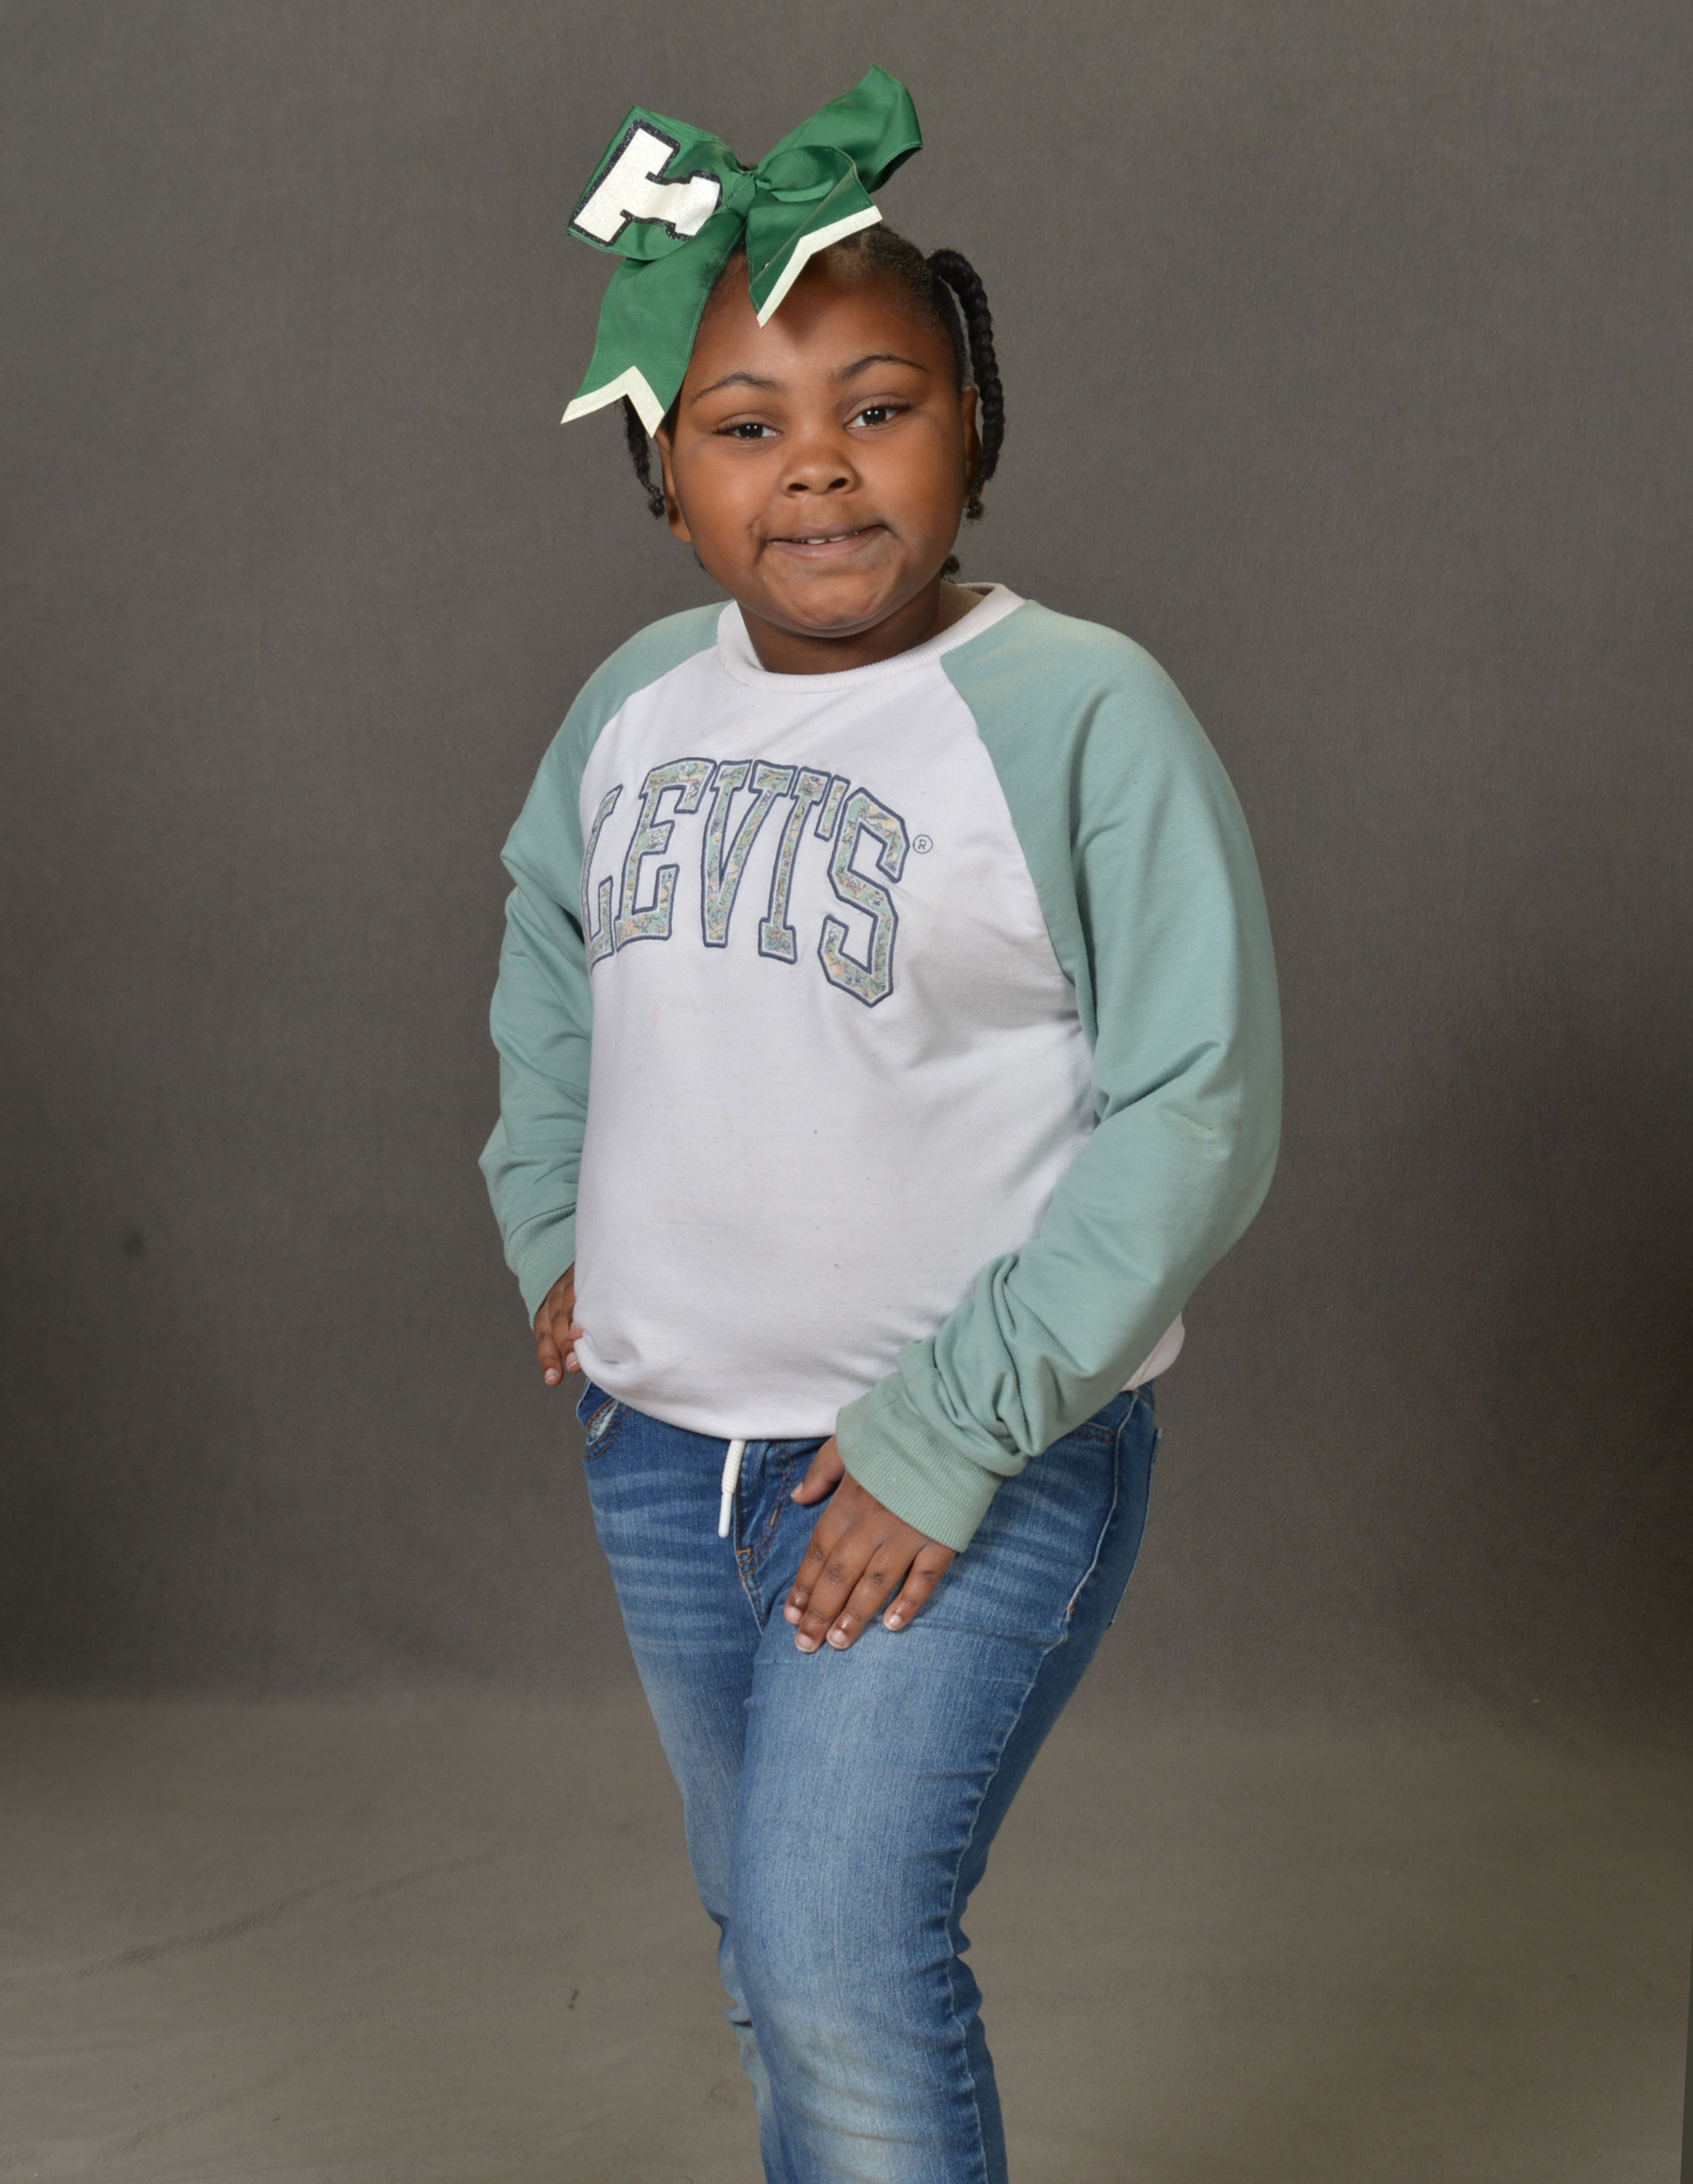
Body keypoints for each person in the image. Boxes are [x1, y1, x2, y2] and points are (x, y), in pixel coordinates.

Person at [481, 66, 1281, 2184]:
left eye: (880, 406)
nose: (817, 463)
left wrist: (948, 1434)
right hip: (667, 1452)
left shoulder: (1079, 709)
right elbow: (555, 960)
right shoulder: (634, 706)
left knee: (838, 1952)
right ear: (664, 477)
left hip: (959, 1454)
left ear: (974, 431)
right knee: (775, 1954)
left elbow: (1195, 1105)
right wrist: (553, 1223)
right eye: (743, 425)